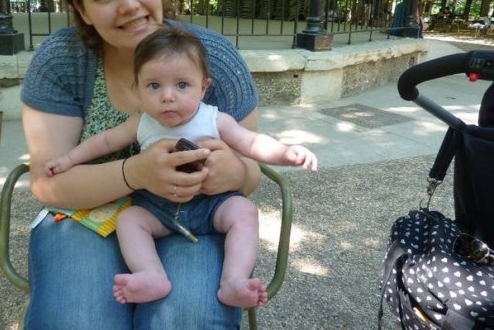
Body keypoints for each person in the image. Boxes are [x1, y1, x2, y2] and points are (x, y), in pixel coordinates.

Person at [21, 0, 267, 329]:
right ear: (81, 9)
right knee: (77, 321)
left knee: (186, 319)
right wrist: (135, 172)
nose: (129, 5)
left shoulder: (211, 57)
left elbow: (251, 171)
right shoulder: (62, 60)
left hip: (194, 215)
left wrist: (236, 172)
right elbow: (47, 183)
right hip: (85, 215)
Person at [44, 26, 318, 309]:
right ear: (137, 88)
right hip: (157, 206)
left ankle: (234, 280)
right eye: (154, 86)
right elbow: (104, 141)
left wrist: (286, 153)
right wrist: (69, 159)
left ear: (203, 88)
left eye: (182, 85)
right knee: (129, 220)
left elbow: (251, 143)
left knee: (245, 211)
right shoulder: (142, 122)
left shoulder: (215, 119)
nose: (167, 96)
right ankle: (151, 274)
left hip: (211, 203)